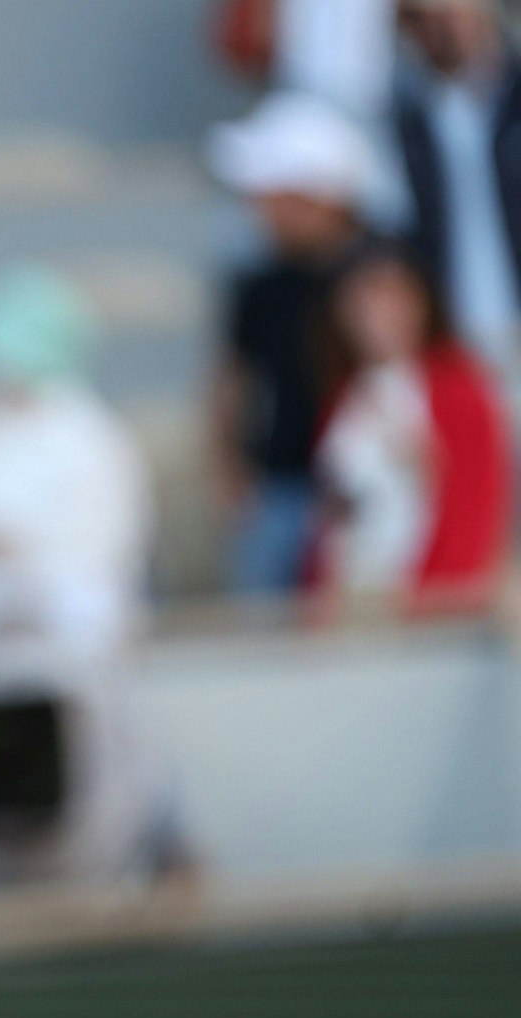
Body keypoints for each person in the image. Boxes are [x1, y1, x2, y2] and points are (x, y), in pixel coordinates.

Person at [0, 267, 169, 894]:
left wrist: (3, 558)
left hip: (69, 659)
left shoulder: (92, 437)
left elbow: (98, 559)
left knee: (100, 777)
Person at [209, 91, 379, 593]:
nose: (259, 208)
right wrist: (230, 468)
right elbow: (230, 380)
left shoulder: (383, 273)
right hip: (280, 488)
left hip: (367, 490)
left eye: (273, 192)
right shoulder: (259, 284)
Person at [313, 242, 512, 615]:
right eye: (365, 298)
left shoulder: (458, 387)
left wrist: (441, 592)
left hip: (426, 596)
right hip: (356, 588)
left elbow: (475, 495)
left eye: (393, 295)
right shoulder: (346, 391)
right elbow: (333, 508)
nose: (378, 312)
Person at [392, 0, 521, 409]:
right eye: (420, 19)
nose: (439, 29)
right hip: (455, 322)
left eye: (450, 15)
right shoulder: (409, 112)